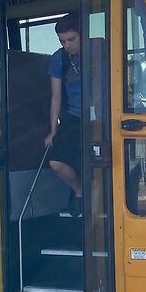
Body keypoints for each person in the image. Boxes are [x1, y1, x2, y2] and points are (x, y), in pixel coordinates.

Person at [44, 13, 85, 216]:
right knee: (56, 162)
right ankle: (80, 191)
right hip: (74, 118)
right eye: (62, 41)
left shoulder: (101, 51)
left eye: (71, 39)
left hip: (105, 118)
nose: (67, 45)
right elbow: (56, 97)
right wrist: (53, 131)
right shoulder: (59, 58)